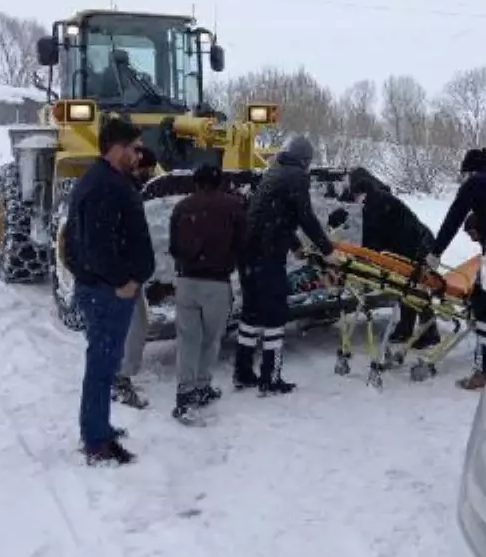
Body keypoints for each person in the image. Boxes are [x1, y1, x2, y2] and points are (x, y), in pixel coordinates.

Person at [63, 117, 156, 465]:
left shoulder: (109, 180)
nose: (140, 154)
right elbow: (95, 246)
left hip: (104, 289)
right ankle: (96, 442)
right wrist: (122, 281)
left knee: (105, 363)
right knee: (102, 366)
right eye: (135, 148)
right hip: (107, 293)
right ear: (116, 148)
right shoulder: (103, 185)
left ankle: (99, 426)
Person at [234, 134, 340, 395]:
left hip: (247, 255)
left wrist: (295, 246)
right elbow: (305, 216)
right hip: (268, 256)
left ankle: (243, 371)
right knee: (275, 316)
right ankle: (270, 379)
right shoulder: (297, 176)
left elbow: (276, 214)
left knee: (251, 314)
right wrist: (328, 251)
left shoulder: (273, 173)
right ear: (305, 160)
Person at [426, 147, 486, 391]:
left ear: (469, 171)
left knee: (482, 306)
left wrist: (435, 253)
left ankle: (484, 371)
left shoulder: (476, 183)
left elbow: (454, 218)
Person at [168, 163, 247, 424]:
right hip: (217, 283)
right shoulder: (233, 207)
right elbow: (242, 243)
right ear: (219, 181)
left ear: (196, 182)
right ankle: (202, 386)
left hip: (187, 282)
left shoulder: (181, 208)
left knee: (188, 339)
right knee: (211, 339)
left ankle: (184, 394)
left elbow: (173, 247)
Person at [345, 166, 439, 348]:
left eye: (355, 193)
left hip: (420, 246)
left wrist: (361, 258)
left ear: (360, 190)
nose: (354, 199)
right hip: (410, 245)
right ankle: (406, 329)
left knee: (415, 289)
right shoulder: (376, 196)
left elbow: (371, 239)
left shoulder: (376, 202)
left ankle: (429, 332)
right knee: (404, 287)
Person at [111, 144, 160, 411]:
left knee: (132, 325)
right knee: (133, 325)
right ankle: (120, 381)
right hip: (123, 275)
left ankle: (119, 377)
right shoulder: (123, 193)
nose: (150, 176)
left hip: (126, 272)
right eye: (148, 171)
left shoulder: (127, 189)